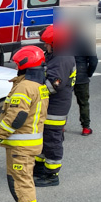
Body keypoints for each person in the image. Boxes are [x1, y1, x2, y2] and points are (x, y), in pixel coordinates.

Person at [0, 46, 49, 202]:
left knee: (21, 184)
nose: (16, 67)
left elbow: (16, 117)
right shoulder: (39, 85)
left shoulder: (24, 87)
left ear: (24, 65)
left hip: (21, 146)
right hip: (28, 143)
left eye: (17, 64)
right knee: (18, 181)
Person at [35, 25, 76, 187]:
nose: (45, 46)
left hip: (55, 109)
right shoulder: (56, 55)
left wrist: (33, 90)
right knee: (44, 139)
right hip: (50, 107)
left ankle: (51, 175)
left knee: (52, 142)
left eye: (47, 43)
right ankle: (39, 169)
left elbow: (53, 85)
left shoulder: (62, 59)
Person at [73, 31, 98, 136]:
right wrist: (89, 73)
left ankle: (61, 127)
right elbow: (93, 61)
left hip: (65, 75)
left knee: (63, 101)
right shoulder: (86, 42)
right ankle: (86, 127)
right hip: (81, 76)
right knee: (83, 102)